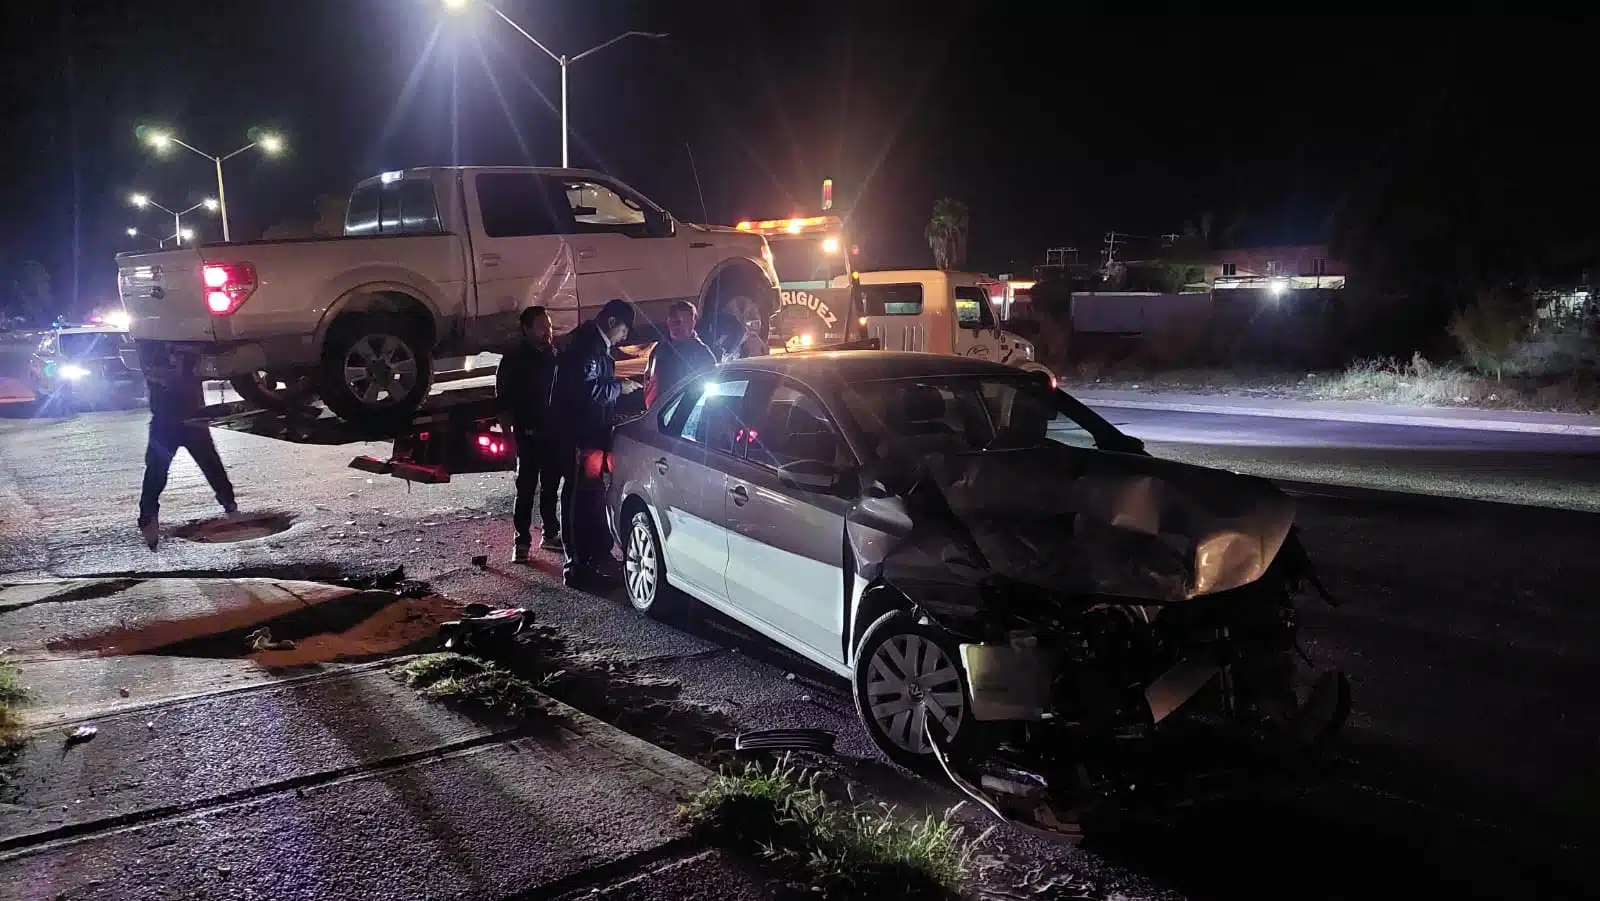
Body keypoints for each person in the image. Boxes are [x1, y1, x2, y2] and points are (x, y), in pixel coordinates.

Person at [548, 299, 640, 588]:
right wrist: (620, 387)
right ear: (612, 322)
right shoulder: (587, 347)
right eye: (624, 330)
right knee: (577, 497)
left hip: (592, 433)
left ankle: (597, 553)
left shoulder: (592, 345)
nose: (624, 337)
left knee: (592, 495)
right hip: (580, 435)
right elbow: (587, 392)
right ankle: (576, 565)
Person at [138, 371, 237, 550]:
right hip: (184, 419)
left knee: (158, 471)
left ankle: (148, 518)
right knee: (210, 465)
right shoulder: (178, 353)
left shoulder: (157, 352)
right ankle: (229, 504)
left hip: (171, 421)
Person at [497, 305, 562, 562]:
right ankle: (521, 541)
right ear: (526, 329)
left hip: (551, 432)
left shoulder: (553, 355)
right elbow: (503, 400)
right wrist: (508, 436)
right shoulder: (514, 358)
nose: (547, 331)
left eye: (549, 325)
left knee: (550, 486)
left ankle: (550, 533)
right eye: (541, 326)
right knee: (525, 488)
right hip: (527, 433)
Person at [644, 299, 717, 408]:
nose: (680, 327)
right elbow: (649, 380)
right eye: (675, 322)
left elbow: (710, 385)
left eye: (685, 321)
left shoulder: (702, 353)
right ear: (668, 322)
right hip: (657, 410)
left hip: (685, 413)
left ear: (693, 322)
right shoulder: (659, 349)